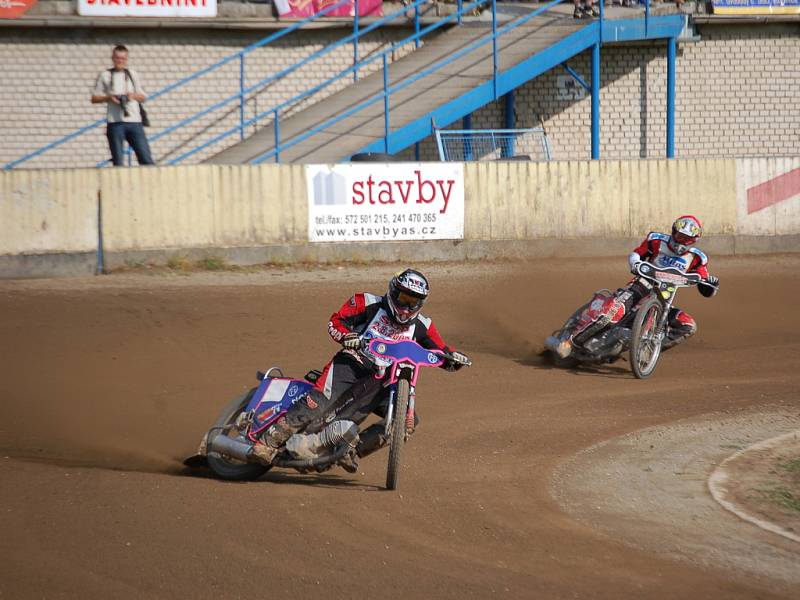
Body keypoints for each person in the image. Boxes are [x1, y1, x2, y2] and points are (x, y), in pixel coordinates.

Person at [252, 268, 471, 471]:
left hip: (386, 382)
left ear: (421, 302)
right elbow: (335, 322)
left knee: (406, 422)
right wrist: (348, 337)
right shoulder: (367, 302)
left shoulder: (423, 325)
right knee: (317, 402)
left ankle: (349, 451)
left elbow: (441, 350)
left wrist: (454, 359)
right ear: (393, 291)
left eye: (413, 301)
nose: (406, 307)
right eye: (403, 298)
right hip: (352, 363)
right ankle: (267, 443)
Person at [546, 215, 720, 359]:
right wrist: (635, 263)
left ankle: (645, 349)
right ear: (673, 232)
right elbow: (637, 253)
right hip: (641, 286)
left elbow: (704, 281)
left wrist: (711, 284)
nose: (681, 241)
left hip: (665, 298)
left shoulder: (698, 258)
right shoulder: (656, 240)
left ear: (693, 241)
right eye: (679, 235)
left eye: (686, 239)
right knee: (611, 314)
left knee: (688, 325)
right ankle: (570, 342)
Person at [91, 45, 155, 167]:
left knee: (146, 159)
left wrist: (132, 96)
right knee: (118, 162)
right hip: (115, 123)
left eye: (123, 58)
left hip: (134, 122)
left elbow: (143, 97)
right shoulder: (105, 75)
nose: (120, 61)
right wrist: (109, 97)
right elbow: (94, 98)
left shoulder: (132, 74)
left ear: (126, 59)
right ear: (112, 58)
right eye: (117, 58)